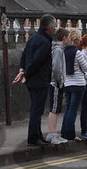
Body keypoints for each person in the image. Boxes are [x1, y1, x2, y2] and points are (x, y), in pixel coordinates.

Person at [15, 13, 56, 146]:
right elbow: (37, 60)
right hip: (39, 79)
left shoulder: (33, 38)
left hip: (32, 80)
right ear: (49, 27)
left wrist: (22, 70)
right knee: (36, 110)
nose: (55, 29)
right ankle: (33, 137)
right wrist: (27, 73)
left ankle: (38, 134)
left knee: (36, 108)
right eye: (54, 26)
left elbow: (24, 54)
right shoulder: (45, 42)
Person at [59, 28, 87, 141]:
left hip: (67, 83)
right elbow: (85, 68)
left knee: (68, 109)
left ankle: (64, 132)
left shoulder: (63, 51)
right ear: (76, 40)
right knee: (73, 110)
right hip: (78, 84)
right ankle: (70, 134)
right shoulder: (77, 53)